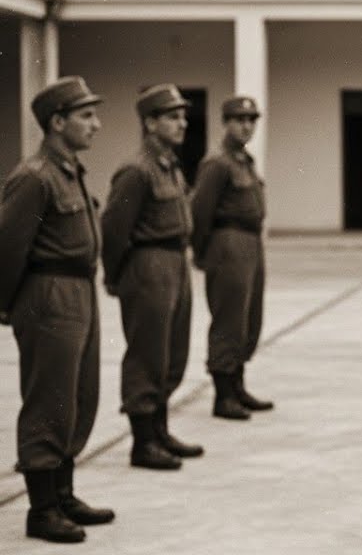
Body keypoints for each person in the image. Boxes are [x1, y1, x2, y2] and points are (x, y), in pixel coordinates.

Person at [0, 78, 115, 544]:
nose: (96, 124)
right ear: (57, 122)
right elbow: (7, 247)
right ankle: (42, 509)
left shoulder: (70, 170)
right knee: (50, 398)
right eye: (86, 115)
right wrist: (9, 306)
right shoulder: (35, 175)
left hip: (79, 291)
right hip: (49, 294)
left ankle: (63, 493)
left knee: (79, 396)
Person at [101, 83, 203, 470]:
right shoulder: (136, 170)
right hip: (149, 265)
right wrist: (115, 276)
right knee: (148, 352)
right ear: (149, 123)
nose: (182, 124)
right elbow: (114, 229)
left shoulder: (170, 166)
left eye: (182, 116)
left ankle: (159, 430)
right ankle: (142, 442)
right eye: (172, 117)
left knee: (172, 351)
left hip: (175, 262)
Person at [190, 95, 273, 421]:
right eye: (239, 119)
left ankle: (237, 385)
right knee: (229, 316)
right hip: (228, 241)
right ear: (225, 123)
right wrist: (201, 251)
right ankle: (223, 394)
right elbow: (200, 211)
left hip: (251, 242)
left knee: (249, 316)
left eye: (252, 120)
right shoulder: (218, 163)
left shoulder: (245, 161)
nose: (246, 125)